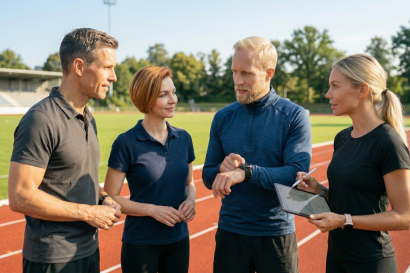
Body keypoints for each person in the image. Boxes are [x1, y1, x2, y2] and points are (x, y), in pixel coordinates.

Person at [8, 28, 121, 273]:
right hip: (52, 259)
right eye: (107, 67)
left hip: (88, 250)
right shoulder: (41, 119)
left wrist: (103, 198)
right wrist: (88, 212)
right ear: (79, 67)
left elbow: (71, 178)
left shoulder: (88, 118)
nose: (114, 77)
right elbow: (20, 196)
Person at [202, 36, 312, 273]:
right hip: (230, 233)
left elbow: (295, 174)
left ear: (268, 73)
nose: (237, 81)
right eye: (234, 72)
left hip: (276, 234)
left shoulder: (294, 115)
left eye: (246, 73)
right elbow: (207, 176)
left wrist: (246, 173)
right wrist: (222, 169)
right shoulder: (222, 117)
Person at [296, 54, 410, 273]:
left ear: (362, 90)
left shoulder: (388, 143)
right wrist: (320, 190)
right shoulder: (342, 138)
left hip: (371, 261)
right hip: (337, 257)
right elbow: (352, 199)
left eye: (335, 86)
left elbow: (404, 217)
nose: (328, 94)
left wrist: (343, 220)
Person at [104, 66, 196, 273]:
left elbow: (189, 183)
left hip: (179, 239)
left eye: (173, 92)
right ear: (146, 98)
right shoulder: (125, 142)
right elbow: (110, 197)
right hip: (141, 243)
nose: (173, 100)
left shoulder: (184, 138)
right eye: (164, 95)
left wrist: (190, 200)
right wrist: (151, 210)